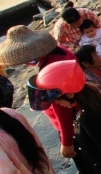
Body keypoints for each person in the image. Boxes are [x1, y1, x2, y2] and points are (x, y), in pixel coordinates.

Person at [0, 27, 77, 159]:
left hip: (73, 119)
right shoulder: (61, 52)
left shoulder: (51, 69)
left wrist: (66, 141)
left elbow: (62, 108)